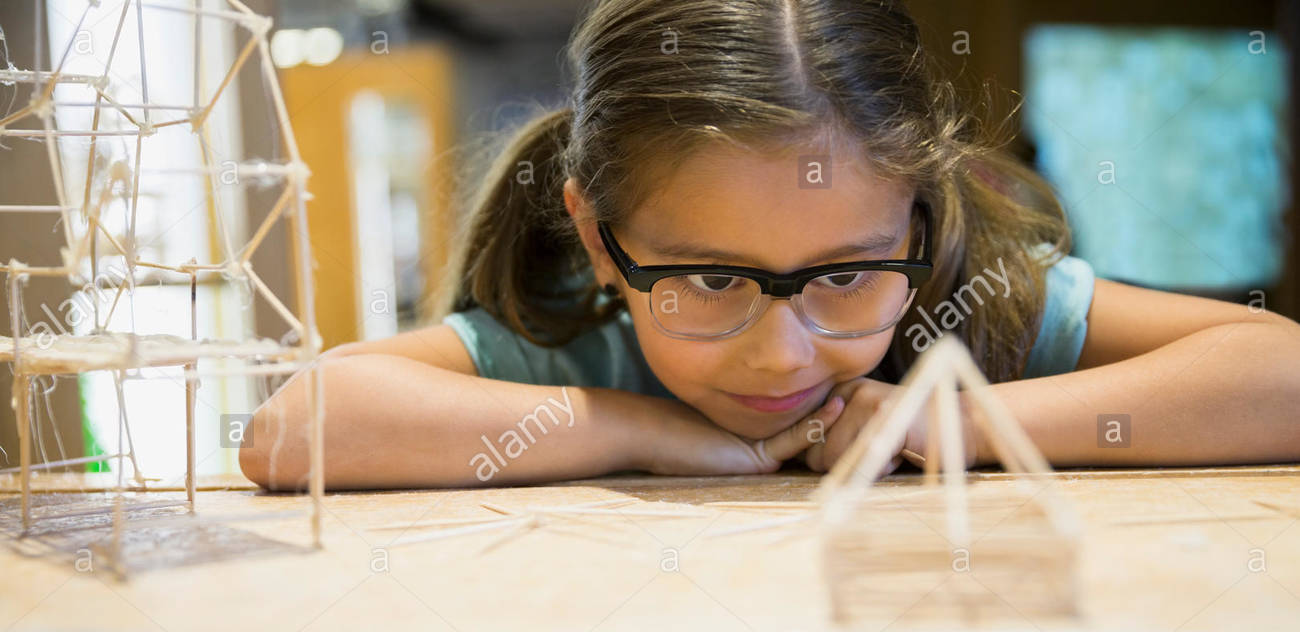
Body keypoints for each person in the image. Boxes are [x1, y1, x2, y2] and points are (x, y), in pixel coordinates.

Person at [240, 0, 1300, 491]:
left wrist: (964, 420)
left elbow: (1282, 372)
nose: (783, 356)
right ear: (599, 241)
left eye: (844, 273)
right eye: (708, 278)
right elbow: (293, 429)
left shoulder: (973, 297)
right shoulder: (574, 324)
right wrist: (634, 427)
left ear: (917, 224)